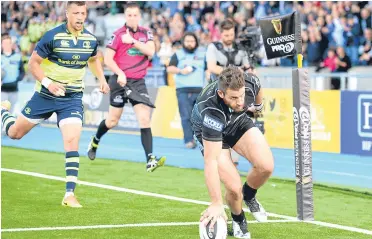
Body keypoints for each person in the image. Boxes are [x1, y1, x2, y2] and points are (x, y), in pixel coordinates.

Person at [1, 1, 110, 208]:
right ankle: (3, 112)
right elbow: (33, 63)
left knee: (71, 141)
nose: (80, 16)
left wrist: (101, 80)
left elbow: (94, 60)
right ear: (67, 13)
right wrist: (49, 84)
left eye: (83, 13)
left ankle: (69, 195)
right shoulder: (52, 36)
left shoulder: (90, 39)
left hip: (72, 98)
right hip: (45, 95)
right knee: (14, 133)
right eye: (76, 12)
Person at [191, 66, 274, 239]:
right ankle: (238, 218)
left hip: (237, 122)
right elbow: (211, 161)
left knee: (266, 166)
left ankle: (249, 196)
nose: (241, 102)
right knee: (234, 188)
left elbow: (257, 87)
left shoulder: (249, 82)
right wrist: (216, 202)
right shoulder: (211, 109)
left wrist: (258, 106)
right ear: (222, 94)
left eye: (242, 95)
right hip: (210, 130)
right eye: (234, 98)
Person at [87, 2, 166, 172]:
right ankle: (95, 140)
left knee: (144, 119)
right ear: (125, 16)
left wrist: (133, 41)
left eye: (135, 15)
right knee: (112, 121)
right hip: (119, 81)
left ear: (139, 16)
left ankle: (150, 159)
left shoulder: (146, 33)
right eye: (129, 15)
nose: (132, 18)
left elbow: (151, 52)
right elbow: (108, 60)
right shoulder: (117, 34)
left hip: (138, 82)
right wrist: (120, 73)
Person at [205, 19, 251, 167]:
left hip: (237, 93)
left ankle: (233, 161)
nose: (229, 37)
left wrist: (249, 72)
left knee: (236, 124)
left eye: (231, 34)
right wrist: (233, 74)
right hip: (219, 92)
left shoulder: (241, 47)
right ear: (220, 33)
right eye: (226, 35)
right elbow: (212, 67)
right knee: (218, 126)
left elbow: (248, 67)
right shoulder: (213, 47)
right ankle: (218, 158)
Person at [167, 32, 206, 149]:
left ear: (196, 42)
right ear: (183, 42)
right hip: (182, 90)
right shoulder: (178, 54)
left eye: (192, 41)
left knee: (201, 117)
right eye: (187, 41)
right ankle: (189, 140)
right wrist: (180, 71)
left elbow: (209, 68)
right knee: (186, 116)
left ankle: (203, 141)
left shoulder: (203, 54)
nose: (190, 43)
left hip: (199, 89)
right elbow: (169, 68)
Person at [1, 33, 25, 115]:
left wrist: (17, 79)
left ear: (11, 44)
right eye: (4, 43)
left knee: (10, 114)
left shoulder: (17, 57)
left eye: (8, 43)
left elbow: (22, 72)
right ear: (1, 45)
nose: (6, 45)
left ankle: (6, 128)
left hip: (14, 89)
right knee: (2, 113)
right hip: (2, 90)